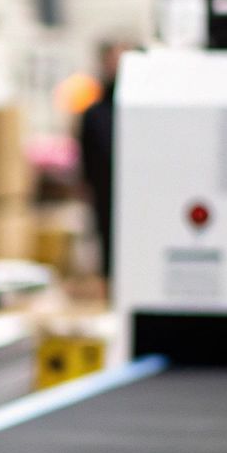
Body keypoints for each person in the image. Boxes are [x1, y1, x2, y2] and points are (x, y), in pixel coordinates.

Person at [77, 39, 134, 281]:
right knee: (108, 245)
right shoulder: (95, 112)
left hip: (134, 194)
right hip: (104, 192)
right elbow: (86, 153)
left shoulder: (136, 109)